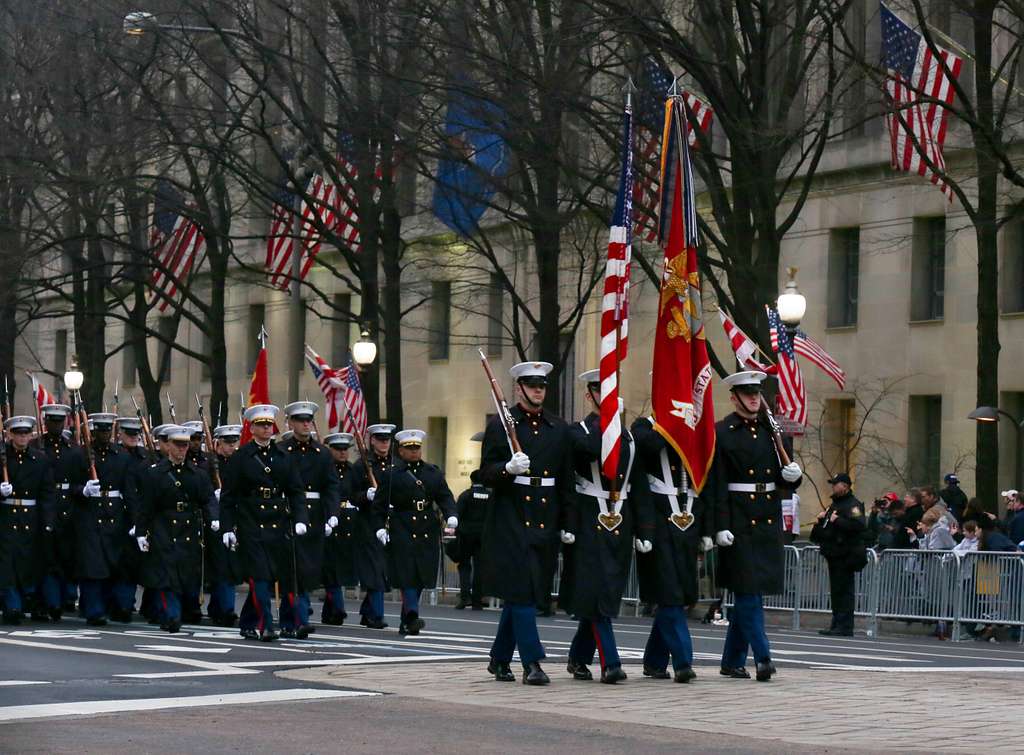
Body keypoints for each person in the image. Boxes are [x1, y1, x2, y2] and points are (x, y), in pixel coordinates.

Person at [479, 361, 574, 685]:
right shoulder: (502, 426)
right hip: (511, 517)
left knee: (528, 593)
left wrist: (566, 522)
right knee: (521, 591)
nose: (538, 390)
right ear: (518, 388)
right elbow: (484, 474)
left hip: (544, 518)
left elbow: (565, 481)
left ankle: (499, 658)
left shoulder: (558, 428)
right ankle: (532, 662)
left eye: (542, 385)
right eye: (531, 385)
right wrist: (508, 469)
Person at [705, 371, 802, 682]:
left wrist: (793, 476)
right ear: (734, 397)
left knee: (753, 592)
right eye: (746, 393)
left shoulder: (774, 432)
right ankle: (763, 656)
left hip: (767, 517)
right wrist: (719, 525)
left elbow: (788, 478)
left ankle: (732, 660)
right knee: (748, 593)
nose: (753, 398)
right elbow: (716, 485)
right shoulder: (722, 432)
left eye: (756, 392)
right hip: (739, 520)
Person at [558, 371, 653, 684]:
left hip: (620, 520)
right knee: (597, 590)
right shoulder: (580, 430)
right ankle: (610, 663)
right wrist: (609, 423)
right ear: (590, 396)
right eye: (601, 392)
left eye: (612, 391)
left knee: (606, 590)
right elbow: (586, 452)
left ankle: (578, 657)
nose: (608, 396)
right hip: (588, 518)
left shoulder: (627, 437)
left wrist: (645, 530)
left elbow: (638, 487)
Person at [631, 407, 712, 683]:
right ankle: (683, 661)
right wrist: (675, 426)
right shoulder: (644, 427)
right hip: (658, 525)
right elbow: (648, 446)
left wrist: (708, 528)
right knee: (669, 595)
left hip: (689, 523)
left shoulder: (694, 427)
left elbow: (706, 478)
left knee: (680, 594)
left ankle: (654, 661)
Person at [220, 404, 308, 642]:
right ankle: (265, 624)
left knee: (272, 576)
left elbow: (295, 491)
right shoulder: (241, 457)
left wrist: (300, 518)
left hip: (278, 522)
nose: (266, 429)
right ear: (252, 428)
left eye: (269, 425)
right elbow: (229, 496)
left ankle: (249, 621)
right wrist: (228, 528)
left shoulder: (283, 457)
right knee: (259, 575)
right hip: (251, 521)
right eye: (261, 425)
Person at [134, 425, 219, 633]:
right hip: (163, 527)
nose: (182, 450)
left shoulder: (197, 474)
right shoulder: (155, 474)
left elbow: (207, 499)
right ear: (168, 446)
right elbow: (146, 506)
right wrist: (140, 532)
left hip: (188, 528)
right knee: (166, 576)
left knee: (185, 575)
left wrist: (214, 518)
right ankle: (171, 615)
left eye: (185, 445)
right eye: (178, 445)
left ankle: (177, 612)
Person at [375, 429, 457, 635]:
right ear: (400, 450)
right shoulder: (392, 475)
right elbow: (380, 504)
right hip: (402, 526)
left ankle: (407, 619)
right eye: (409, 448)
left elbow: (445, 496)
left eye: (417, 448)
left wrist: (451, 514)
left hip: (427, 527)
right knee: (407, 574)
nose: (414, 452)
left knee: (421, 575)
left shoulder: (432, 472)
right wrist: (379, 527)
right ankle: (411, 614)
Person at [276, 402, 340, 639]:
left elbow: (332, 486)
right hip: (288, 513)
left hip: (314, 515)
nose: (305, 424)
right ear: (291, 423)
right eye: (300, 420)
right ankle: (297, 618)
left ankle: (290, 618)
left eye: (308, 420)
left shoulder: (322, 453)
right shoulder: (281, 449)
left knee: (307, 570)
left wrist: (333, 513)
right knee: (292, 569)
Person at [76, 413, 140, 625]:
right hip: (90, 514)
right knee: (94, 567)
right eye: (100, 431)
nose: (104, 435)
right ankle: (94, 611)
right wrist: (83, 490)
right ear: (93, 432)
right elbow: (68, 487)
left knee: (114, 564)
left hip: (115, 516)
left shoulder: (122, 456)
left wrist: (135, 521)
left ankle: (114, 606)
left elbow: (129, 491)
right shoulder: (82, 454)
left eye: (107, 430)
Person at [0, 416, 56, 624]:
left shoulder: (40, 459)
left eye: (26, 433)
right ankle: (12, 605)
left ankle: (25, 601)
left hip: (30, 518)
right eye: (18, 433)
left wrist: (48, 521)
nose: (23, 437)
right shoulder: (2, 456)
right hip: (6, 518)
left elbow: (47, 493)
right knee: (7, 564)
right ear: (10, 434)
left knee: (28, 563)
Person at [37, 404, 88, 621]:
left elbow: (79, 480)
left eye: (59, 421)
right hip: (44, 508)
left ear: (65, 422)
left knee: (67, 556)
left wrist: (82, 490)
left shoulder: (75, 450)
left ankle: (66, 596)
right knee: (46, 557)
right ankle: (50, 601)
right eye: (52, 421)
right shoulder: (36, 447)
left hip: (68, 508)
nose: (55, 425)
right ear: (45, 422)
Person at [350, 423, 395, 630]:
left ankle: (368, 612)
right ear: (372, 441)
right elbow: (351, 494)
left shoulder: (397, 464)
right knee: (375, 569)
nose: (384, 443)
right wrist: (366, 496)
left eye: (387, 440)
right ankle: (376, 615)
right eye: (380, 439)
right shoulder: (362, 465)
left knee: (384, 569)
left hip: (390, 523)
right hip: (368, 524)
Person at [810, 473, 867, 637]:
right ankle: (836, 623)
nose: (833, 487)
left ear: (845, 486)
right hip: (833, 552)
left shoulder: (853, 505)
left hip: (846, 553)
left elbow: (859, 525)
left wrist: (837, 520)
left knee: (844, 589)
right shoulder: (835, 505)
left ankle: (845, 625)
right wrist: (821, 520)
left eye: (836, 484)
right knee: (836, 590)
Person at [206, 424, 242, 627]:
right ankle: (224, 609)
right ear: (218, 443)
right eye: (227, 443)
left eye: (234, 442)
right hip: (215, 521)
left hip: (234, 519)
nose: (231, 447)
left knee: (230, 567)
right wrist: (213, 494)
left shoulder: (237, 464)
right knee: (220, 566)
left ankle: (221, 608)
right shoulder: (209, 465)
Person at [321, 432, 356, 625]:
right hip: (327, 520)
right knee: (329, 568)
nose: (343, 453)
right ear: (330, 450)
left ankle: (331, 610)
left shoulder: (354, 470)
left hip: (347, 523)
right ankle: (337, 608)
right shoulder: (325, 469)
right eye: (338, 449)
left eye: (345, 450)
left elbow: (357, 492)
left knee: (338, 568)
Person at [453, 470, 488, 610]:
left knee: (465, 566)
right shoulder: (490, 496)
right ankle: (477, 600)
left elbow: (457, 515)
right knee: (480, 568)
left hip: (466, 535)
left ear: (471, 480)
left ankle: (464, 597)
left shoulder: (465, 495)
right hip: (484, 537)